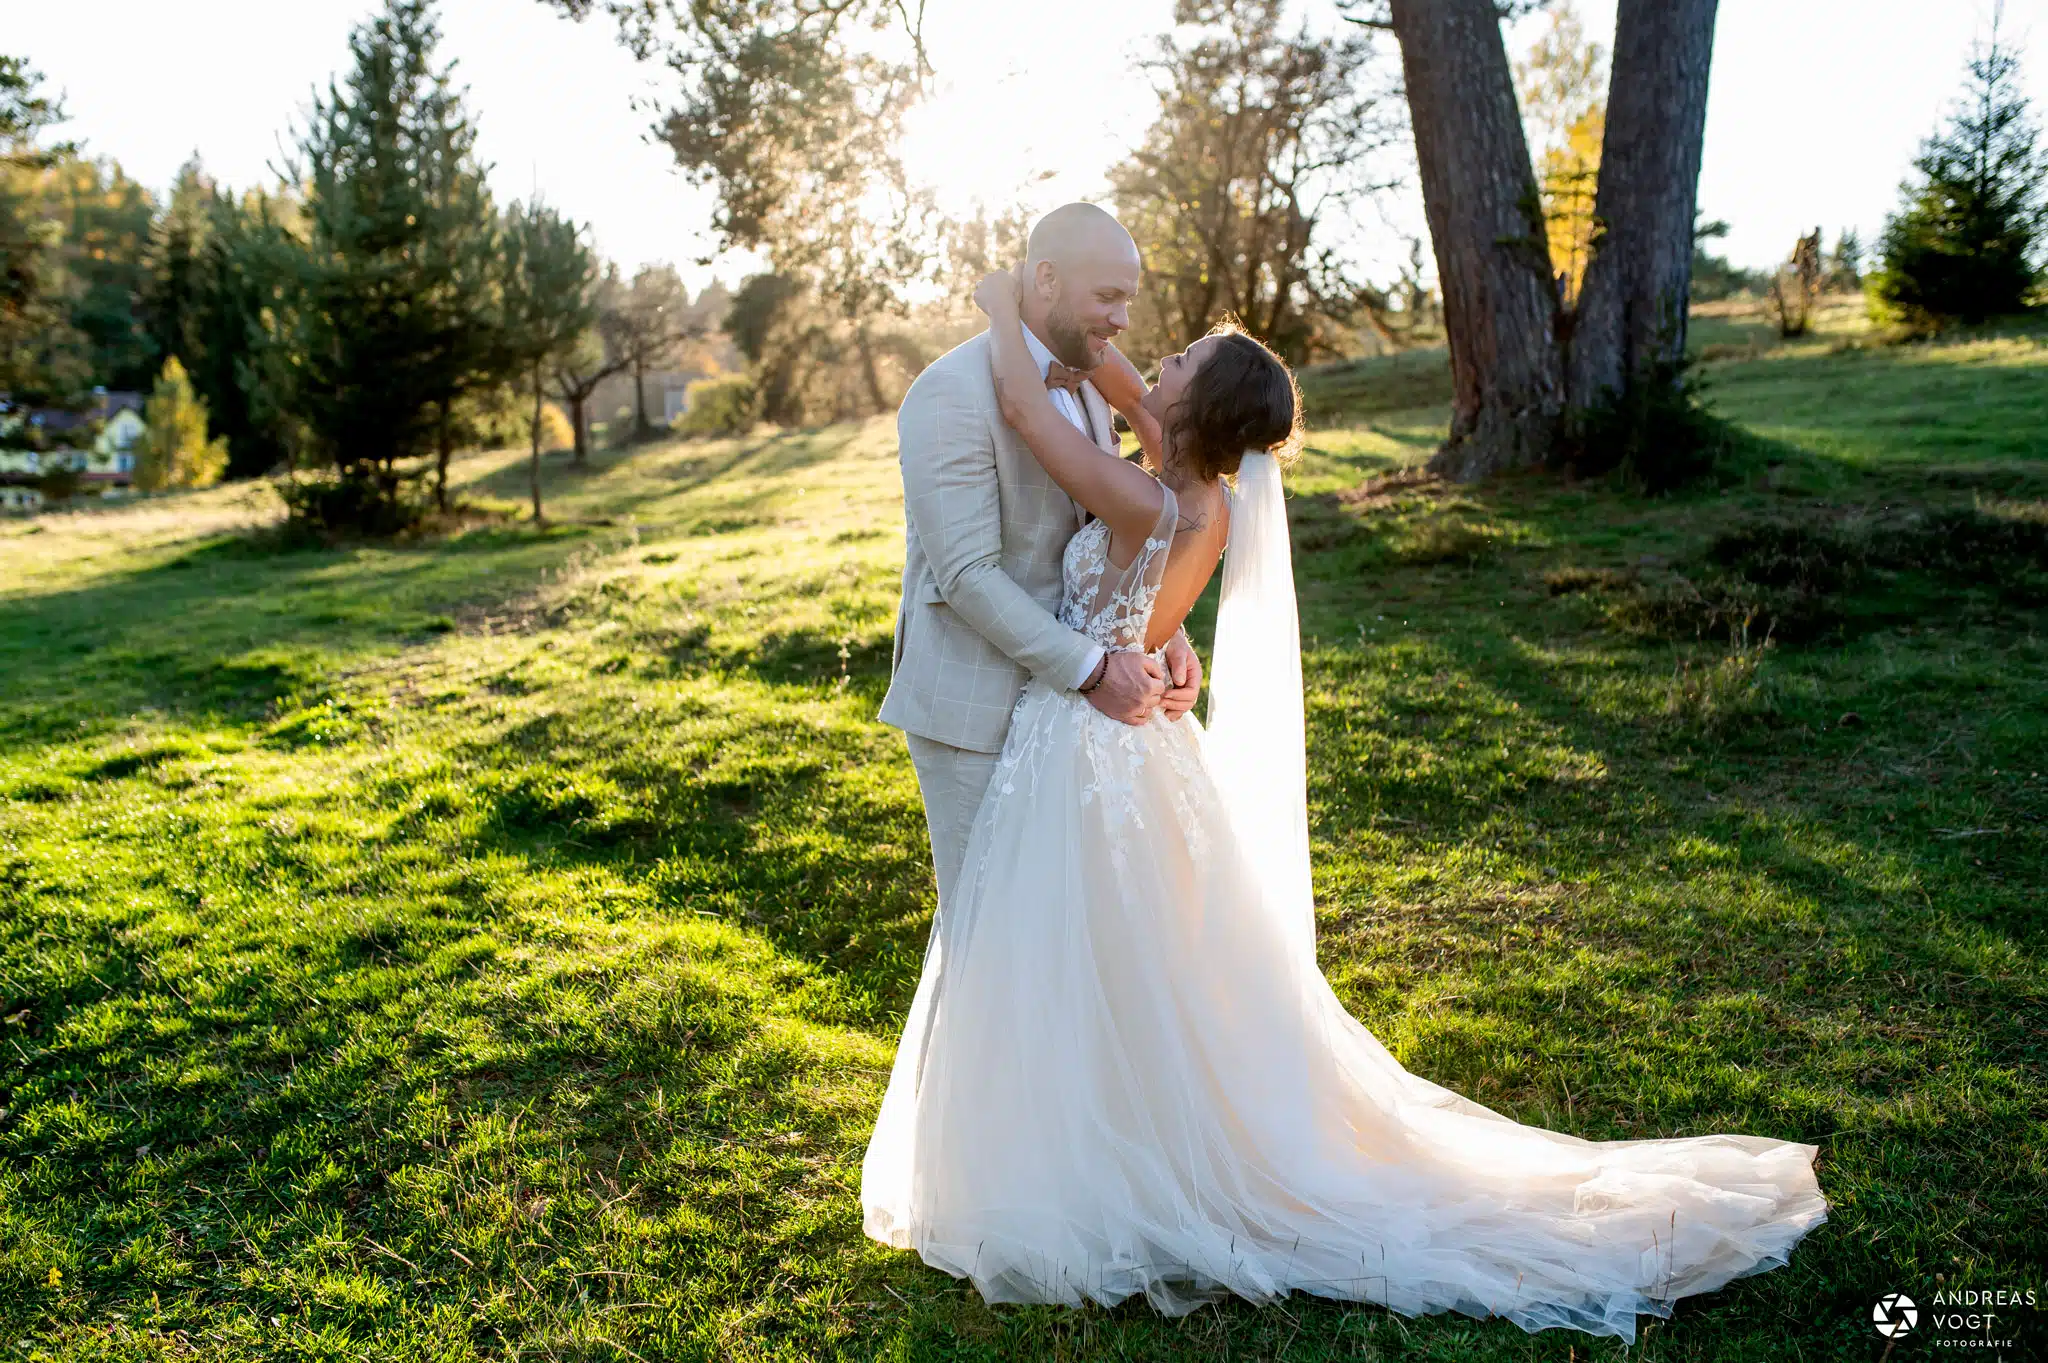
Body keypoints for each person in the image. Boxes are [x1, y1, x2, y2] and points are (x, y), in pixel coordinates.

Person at [860, 230, 1830, 1346]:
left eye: (1169, 359)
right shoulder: (1192, 493)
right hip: (1093, 732)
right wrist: (1160, 632)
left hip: (1087, 739)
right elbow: (1098, 443)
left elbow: (1039, 421)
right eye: (1129, 319)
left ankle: (1075, 1166)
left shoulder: (1147, 495)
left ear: (1189, 415)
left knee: (1066, 955)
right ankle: (1073, 1138)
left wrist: (996, 313)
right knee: (1103, 962)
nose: (1145, 356)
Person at [876, 202, 1205, 915]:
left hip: (1066, 721)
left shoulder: (1085, 379)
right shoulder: (948, 394)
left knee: (1068, 938)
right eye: (1108, 297)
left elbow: (1097, 534)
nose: (1123, 321)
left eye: (1129, 300)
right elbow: (966, 575)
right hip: (976, 712)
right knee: (990, 934)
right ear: (1047, 279)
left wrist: (1160, 634)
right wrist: (1094, 672)